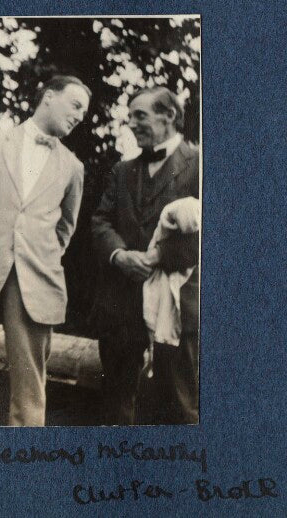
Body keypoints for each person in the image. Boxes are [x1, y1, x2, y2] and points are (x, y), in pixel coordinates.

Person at [0, 75, 91, 427]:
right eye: (75, 106)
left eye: (84, 114)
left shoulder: (73, 167)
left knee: (30, 391)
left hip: (35, 285)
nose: (79, 117)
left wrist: (33, 255)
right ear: (49, 97)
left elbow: (64, 229)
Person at [91, 86, 199, 425]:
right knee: (116, 405)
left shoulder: (201, 165)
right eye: (130, 116)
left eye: (141, 115)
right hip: (120, 305)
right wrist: (119, 255)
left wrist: (155, 258)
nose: (132, 123)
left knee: (179, 406)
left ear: (168, 115)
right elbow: (100, 220)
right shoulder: (122, 171)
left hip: (176, 308)